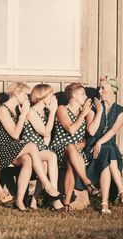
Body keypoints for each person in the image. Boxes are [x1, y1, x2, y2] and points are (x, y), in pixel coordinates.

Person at [0, 82, 63, 211]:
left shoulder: (16, 109)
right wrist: (23, 115)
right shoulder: (3, 110)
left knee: (28, 160)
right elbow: (16, 134)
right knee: (32, 147)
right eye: (24, 94)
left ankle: (19, 200)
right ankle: (47, 186)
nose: (27, 97)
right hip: (0, 149)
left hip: (12, 148)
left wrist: (22, 113)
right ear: (16, 93)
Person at [50, 83, 103, 211]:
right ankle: (87, 182)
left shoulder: (86, 112)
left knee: (71, 160)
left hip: (76, 151)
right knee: (70, 149)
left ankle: (66, 204)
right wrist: (83, 114)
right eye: (83, 94)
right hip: (59, 148)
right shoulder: (62, 109)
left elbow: (91, 133)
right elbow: (71, 129)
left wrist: (99, 112)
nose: (86, 96)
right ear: (74, 95)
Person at [84, 77, 123, 214]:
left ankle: (104, 203)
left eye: (103, 88)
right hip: (92, 148)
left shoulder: (121, 111)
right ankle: (122, 192)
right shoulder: (93, 108)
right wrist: (99, 112)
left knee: (108, 151)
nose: (99, 91)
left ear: (113, 90)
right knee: (108, 152)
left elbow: (113, 130)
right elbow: (92, 131)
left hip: (106, 147)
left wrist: (100, 142)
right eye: (99, 88)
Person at [21, 84, 63, 210]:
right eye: (50, 94)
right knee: (51, 156)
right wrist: (53, 112)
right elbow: (45, 132)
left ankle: (34, 199)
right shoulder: (31, 112)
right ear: (43, 96)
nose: (53, 97)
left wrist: (50, 113)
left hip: (40, 148)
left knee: (45, 164)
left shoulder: (44, 112)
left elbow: (47, 137)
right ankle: (54, 196)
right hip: (29, 149)